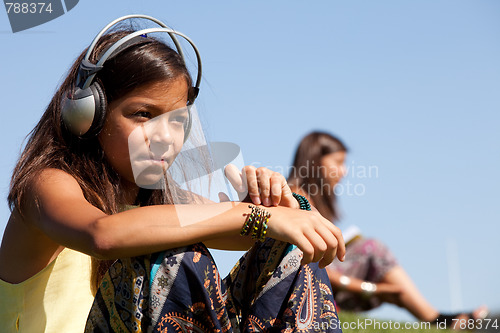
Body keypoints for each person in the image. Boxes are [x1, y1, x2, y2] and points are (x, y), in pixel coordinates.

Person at [0, 16, 345, 332]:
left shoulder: (155, 202)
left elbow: (240, 232)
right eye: (143, 113)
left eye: (177, 121)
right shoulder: (45, 183)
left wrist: (279, 205)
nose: (166, 136)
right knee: (174, 254)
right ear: (87, 114)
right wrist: (253, 215)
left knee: (290, 245)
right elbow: (101, 235)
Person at [287, 131, 488, 329]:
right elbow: (305, 262)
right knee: (372, 248)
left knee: (372, 253)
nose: (345, 171)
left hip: (324, 280)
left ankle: (438, 320)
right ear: (315, 162)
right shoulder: (297, 198)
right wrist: (370, 289)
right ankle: (438, 320)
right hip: (307, 283)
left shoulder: (312, 199)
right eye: (338, 162)